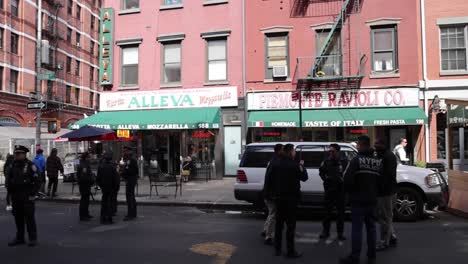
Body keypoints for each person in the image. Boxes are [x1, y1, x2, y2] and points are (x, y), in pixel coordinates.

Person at [340, 136, 383, 264]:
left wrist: (351, 192)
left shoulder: (356, 160)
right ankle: (371, 255)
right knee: (371, 228)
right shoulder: (377, 161)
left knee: (357, 229)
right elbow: (382, 181)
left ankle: (355, 256)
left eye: (358, 144)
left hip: (358, 200)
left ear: (361, 145)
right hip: (372, 200)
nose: (357, 146)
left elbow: (346, 178)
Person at [271, 144, 308, 258]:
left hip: (279, 199)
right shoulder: (295, 165)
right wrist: (302, 166)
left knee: (279, 225)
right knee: (290, 227)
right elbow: (304, 177)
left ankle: (277, 249)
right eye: (294, 151)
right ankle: (290, 251)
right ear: (290, 152)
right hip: (291, 199)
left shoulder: (276, 164)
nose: (295, 153)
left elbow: (271, 180)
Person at [7, 145, 41, 247]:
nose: (16, 155)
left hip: (27, 197)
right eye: (15, 153)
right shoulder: (13, 165)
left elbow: (38, 181)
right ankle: (20, 238)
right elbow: (9, 179)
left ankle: (32, 238)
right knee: (18, 219)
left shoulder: (31, 165)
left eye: (19, 154)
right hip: (16, 197)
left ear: (24, 154)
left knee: (29, 218)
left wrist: (33, 193)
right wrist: (9, 191)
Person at [319, 143, 348, 241]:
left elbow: (348, 174)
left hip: (341, 191)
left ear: (338, 151)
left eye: (333, 151)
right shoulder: (326, 161)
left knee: (340, 214)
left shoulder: (344, 161)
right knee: (327, 213)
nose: (331, 153)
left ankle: (340, 233)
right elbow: (321, 172)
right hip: (329, 190)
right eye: (330, 151)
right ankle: (325, 231)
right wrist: (326, 180)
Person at [374, 138, 398, 251]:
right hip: (386, 190)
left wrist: (380, 187)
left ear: (383, 144)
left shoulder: (388, 156)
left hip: (386, 192)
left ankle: (384, 241)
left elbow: (389, 175)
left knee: (384, 217)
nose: (375, 145)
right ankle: (392, 236)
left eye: (377, 143)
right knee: (387, 216)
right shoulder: (382, 155)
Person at [262, 143, 283, 245]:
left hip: (268, 192)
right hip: (271, 193)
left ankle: (265, 230)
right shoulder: (276, 162)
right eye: (282, 150)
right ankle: (268, 236)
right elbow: (271, 179)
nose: (283, 152)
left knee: (271, 212)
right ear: (279, 151)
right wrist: (272, 193)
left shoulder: (272, 160)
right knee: (273, 214)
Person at [96, 152, 119, 225]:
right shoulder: (112, 167)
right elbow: (115, 179)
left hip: (104, 187)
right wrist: (116, 187)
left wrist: (101, 185)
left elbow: (98, 178)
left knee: (104, 202)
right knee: (110, 203)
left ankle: (103, 218)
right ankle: (109, 218)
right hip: (111, 187)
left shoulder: (101, 167)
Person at [121, 146, 138, 221]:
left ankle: (130, 214)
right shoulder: (129, 160)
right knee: (131, 197)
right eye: (123, 151)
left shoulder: (130, 160)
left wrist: (122, 173)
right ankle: (133, 213)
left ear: (128, 152)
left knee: (129, 197)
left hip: (131, 180)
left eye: (125, 151)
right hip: (131, 179)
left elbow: (129, 171)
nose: (124, 153)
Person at [76, 152, 94, 221]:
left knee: (86, 200)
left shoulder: (85, 163)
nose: (90, 158)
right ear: (86, 157)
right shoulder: (83, 165)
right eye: (89, 157)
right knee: (84, 200)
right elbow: (84, 176)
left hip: (85, 184)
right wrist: (91, 180)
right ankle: (83, 215)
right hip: (84, 184)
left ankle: (86, 213)